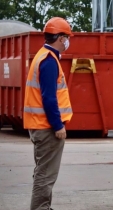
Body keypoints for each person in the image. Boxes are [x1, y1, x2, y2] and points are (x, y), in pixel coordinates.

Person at [23, 17, 73, 210]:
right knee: (46, 174)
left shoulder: (43, 56)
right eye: (67, 37)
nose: (68, 41)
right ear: (60, 38)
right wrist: (58, 125)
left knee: (43, 172)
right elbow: (49, 98)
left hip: (40, 125)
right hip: (46, 127)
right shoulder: (49, 61)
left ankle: (44, 206)